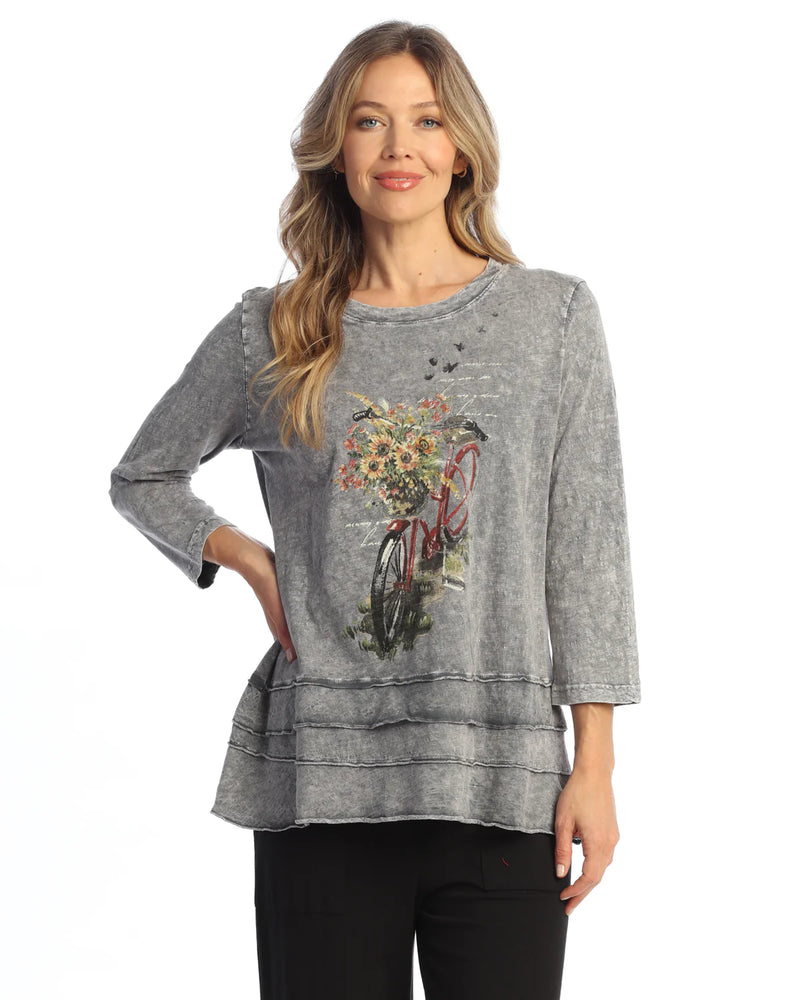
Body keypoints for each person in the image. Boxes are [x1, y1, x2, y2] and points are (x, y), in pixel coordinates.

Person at [109, 19, 641, 1000]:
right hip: (322, 790)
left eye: (426, 120)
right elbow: (143, 474)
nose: (399, 147)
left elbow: (586, 548)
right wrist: (249, 560)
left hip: (501, 787)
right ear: (336, 150)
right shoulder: (273, 328)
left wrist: (595, 764)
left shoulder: (550, 317)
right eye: (368, 121)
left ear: (462, 148)